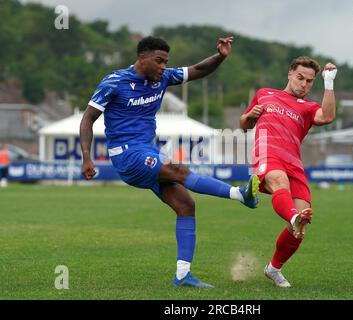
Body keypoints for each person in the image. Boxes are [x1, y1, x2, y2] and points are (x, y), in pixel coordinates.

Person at [80, 36, 259, 288]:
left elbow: (198, 70)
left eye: (166, 62)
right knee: (176, 169)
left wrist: (220, 56)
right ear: (143, 58)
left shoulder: (162, 77)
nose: (164, 67)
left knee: (186, 204)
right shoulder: (114, 82)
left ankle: (183, 275)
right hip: (127, 154)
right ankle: (240, 194)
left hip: (148, 151)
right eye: (159, 61)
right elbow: (88, 119)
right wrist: (87, 157)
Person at [240, 56, 337, 288]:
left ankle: (273, 268)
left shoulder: (308, 107)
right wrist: (248, 117)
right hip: (267, 154)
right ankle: (292, 215)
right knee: (279, 181)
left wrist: (329, 82)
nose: (304, 84)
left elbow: (328, 116)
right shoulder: (265, 93)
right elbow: (244, 125)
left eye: (310, 81)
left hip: (293, 163)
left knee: (300, 228)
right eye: (300, 78)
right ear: (290, 74)